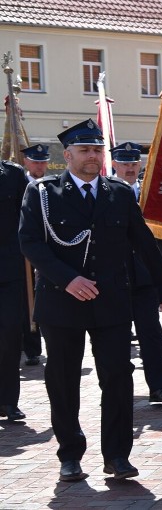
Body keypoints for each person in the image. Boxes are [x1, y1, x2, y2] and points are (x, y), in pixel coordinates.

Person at [18, 119, 162, 482]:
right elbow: (30, 242)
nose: (92, 156)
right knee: (62, 380)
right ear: (69, 154)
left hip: (111, 302)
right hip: (62, 301)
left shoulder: (118, 193)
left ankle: (117, 455)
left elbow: (144, 243)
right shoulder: (43, 193)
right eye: (85, 150)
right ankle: (70, 454)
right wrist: (68, 279)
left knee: (119, 377)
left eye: (97, 150)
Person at [111, 142, 162, 403]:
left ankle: (159, 387)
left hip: (146, 277)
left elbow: (161, 237)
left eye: (133, 163)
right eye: (124, 163)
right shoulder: (108, 193)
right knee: (115, 337)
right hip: (115, 278)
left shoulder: (150, 195)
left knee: (152, 335)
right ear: (114, 165)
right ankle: (118, 387)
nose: (129, 167)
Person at [0, 157, 27, 421]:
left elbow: (29, 217)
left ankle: (8, 400)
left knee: (9, 334)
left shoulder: (13, 174)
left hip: (9, 268)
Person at [20, 143, 51, 366]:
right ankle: (29, 346)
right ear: (26, 162)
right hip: (21, 249)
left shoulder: (50, 186)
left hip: (46, 248)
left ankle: (39, 346)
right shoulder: (18, 184)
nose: (39, 165)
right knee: (24, 298)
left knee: (40, 296)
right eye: (35, 161)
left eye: (43, 161)